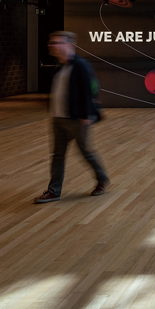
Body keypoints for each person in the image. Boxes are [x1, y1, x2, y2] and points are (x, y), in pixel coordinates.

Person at [34, 31, 110, 204]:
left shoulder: (81, 65)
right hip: (58, 118)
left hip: (77, 119)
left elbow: (90, 89)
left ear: (70, 45)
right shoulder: (58, 66)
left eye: (57, 42)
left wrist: (86, 114)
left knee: (85, 151)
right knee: (58, 155)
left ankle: (102, 179)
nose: (52, 45)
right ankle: (54, 191)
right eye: (51, 42)